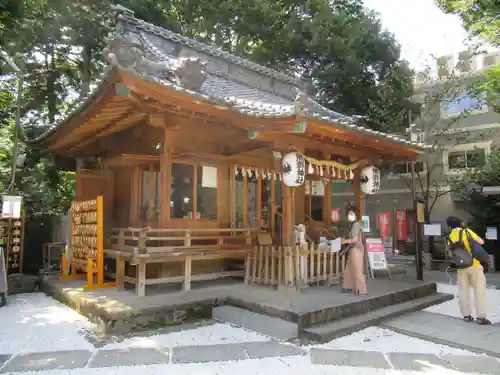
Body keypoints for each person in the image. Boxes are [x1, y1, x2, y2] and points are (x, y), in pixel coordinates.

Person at [446, 216, 491, 325]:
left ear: (449, 226)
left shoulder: (449, 237)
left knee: (463, 292)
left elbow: (450, 254)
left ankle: (466, 315)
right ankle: (481, 317)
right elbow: (481, 242)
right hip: (474, 265)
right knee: (479, 291)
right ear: (460, 223)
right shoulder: (466, 231)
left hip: (461, 268)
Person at [341, 206, 368, 296]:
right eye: (349, 214)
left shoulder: (356, 225)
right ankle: (348, 286)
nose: (350, 216)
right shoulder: (355, 224)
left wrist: (344, 241)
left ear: (356, 215)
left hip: (356, 248)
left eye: (352, 214)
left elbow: (355, 239)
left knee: (357, 269)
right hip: (354, 248)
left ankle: (362, 290)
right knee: (349, 268)